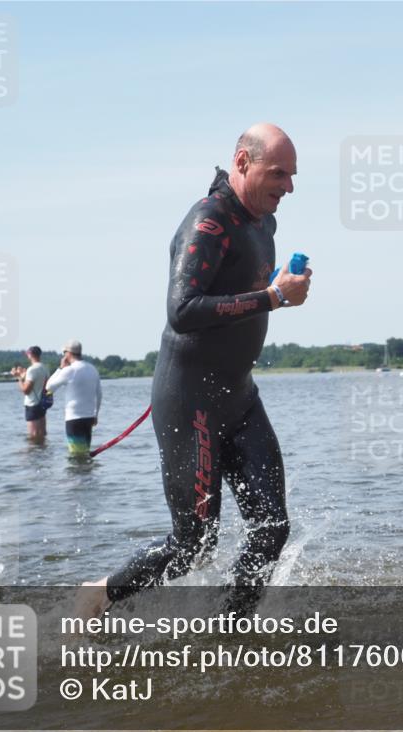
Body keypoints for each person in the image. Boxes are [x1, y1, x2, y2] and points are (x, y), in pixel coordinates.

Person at [76, 124, 310, 618]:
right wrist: (272, 297)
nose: (289, 186)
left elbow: (239, 286)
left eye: (292, 175)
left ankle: (230, 631)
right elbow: (183, 309)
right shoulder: (208, 221)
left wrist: (279, 284)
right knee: (193, 545)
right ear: (242, 162)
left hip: (240, 396)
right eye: (279, 173)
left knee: (271, 528)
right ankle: (99, 594)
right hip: (192, 402)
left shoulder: (263, 223)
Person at [45, 340, 102, 456]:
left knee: (76, 455)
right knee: (85, 452)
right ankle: (88, 473)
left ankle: (79, 473)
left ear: (68, 353)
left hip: (74, 419)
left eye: (63, 353)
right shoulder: (92, 369)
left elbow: (48, 387)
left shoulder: (69, 370)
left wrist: (60, 368)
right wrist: (96, 415)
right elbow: (99, 394)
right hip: (89, 418)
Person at [11, 346, 48, 440]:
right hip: (42, 403)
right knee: (42, 434)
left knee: (33, 436)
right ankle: (44, 453)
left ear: (30, 355)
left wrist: (19, 378)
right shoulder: (45, 368)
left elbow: (26, 390)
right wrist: (24, 376)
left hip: (32, 404)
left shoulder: (32, 369)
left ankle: (34, 454)